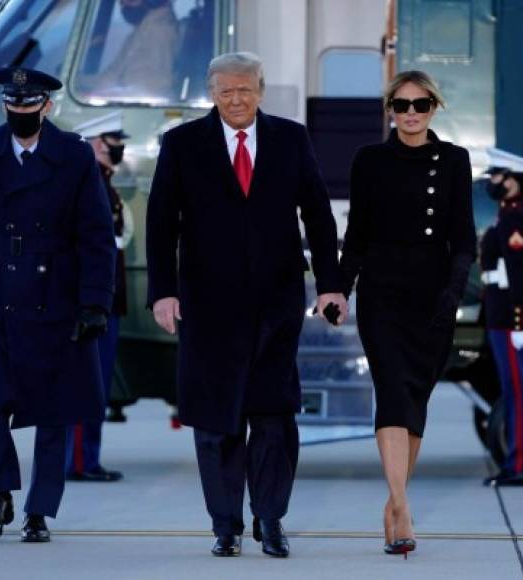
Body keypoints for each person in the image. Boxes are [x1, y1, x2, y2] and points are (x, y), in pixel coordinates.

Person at [146, 52, 347, 558]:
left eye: (245, 90)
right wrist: (163, 291)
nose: (235, 100)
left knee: (274, 416)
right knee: (216, 421)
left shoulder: (290, 138)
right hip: (206, 307)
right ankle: (225, 525)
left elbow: (319, 216)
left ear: (261, 90)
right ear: (211, 93)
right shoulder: (182, 144)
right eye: (225, 91)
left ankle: (271, 519)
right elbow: (160, 223)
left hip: (276, 305)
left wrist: (329, 284)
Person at [0, 67, 115, 542]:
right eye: (12, 106)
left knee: (54, 408)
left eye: (28, 106)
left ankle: (40, 509)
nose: (20, 113)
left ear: (47, 107)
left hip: (54, 295)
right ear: (5, 107)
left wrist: (95, 302)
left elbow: (96, 236)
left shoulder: (75, 156)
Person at [339, 70, 477, 556]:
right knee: (392, 393)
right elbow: (356, 236)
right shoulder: (370, 160)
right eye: (401, 105)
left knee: (415, 399)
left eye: (420, 104)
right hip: (382, 295)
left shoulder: (455, 161)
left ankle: (395, 500)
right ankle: (400, 506)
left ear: (434, 107)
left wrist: (453, 294)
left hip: (434, 296)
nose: (411, 113)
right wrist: (339, 288)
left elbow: (464, 240)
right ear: (390, 110)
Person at [65, 112, 132, 482]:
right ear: (93, 144)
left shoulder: (103, 184)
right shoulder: (86, 187)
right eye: (111, 141)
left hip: (107, 302)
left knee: (99, 383)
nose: (118, 148)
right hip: (92, 304)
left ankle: (87, 457)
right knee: (86, 383)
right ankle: (78, 461)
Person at [480, 167, 523, 487]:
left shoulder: (514, 217)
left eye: (496, 177)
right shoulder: (505, 214)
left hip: (509, 316)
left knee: (518, 393)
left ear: (512, 180)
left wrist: (519, 320)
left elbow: (521, 272)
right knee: (514, 391)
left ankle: (520, 465)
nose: (491, 183)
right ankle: (517, 462)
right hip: (501, 313)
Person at [97, 0, 179, 98]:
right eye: (122, 1)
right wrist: (78, 83)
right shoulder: (142, 30)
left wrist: (113, 95)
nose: (123, 4)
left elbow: (158, 86)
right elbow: (111, 75)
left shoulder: (160, 31)